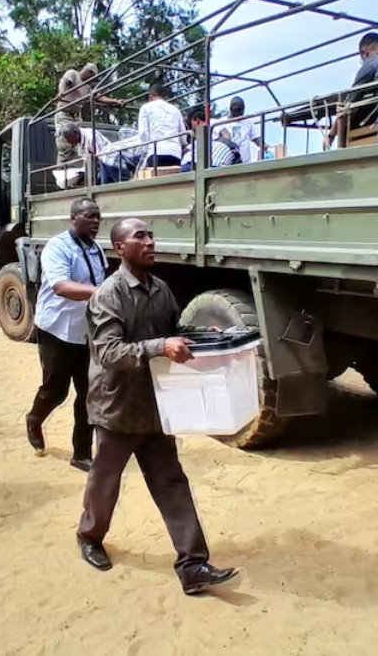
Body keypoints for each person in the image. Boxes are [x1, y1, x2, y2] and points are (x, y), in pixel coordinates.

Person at [76, 217, 238, 595]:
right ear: (120, 248)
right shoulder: (108, 295)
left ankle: (193, 564)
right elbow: (107, 351)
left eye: (150, 235)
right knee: (105, 482)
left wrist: (200, 336)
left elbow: (172, 334)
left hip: (155, 405)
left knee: (171, 481)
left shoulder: (161, 289)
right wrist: (159, 347)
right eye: (140, 236)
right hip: (116, 407)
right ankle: (89, 536)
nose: (150, 241)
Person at [26, 199, 107, 472]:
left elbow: (100, 283)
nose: (95, 221)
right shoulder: (57, 247)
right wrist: (101, 292)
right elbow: (61, 286)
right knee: (55, 391)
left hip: (86, 333)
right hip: (56, 330)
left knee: (88, 394)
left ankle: (82, 453)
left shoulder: (96, 249)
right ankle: (34, 419)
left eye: (98, 217)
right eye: (89, 216)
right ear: (73, 218)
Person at [55, 64, 123, 166]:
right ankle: (60, 171)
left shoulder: (86, 88)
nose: (93, 80)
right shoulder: (73, 74)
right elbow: (64, 82)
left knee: (78, 144)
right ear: (89, 73)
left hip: (76, 117)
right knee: (65, 144)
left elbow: (98, 97)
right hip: (64, 114)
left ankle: (75, 173)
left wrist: (114, 101)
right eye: (93, 76)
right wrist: (61, 93)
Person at [136, 83, 186, 170]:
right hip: (175, 152)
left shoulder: (146, 108)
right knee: (175, 182)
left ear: (150, 96)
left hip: (156, 151)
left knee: (157, 181)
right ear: (164, 96)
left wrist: (148, 147)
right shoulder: (175, 110)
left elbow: (143, 133)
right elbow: (183, 136)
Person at [211, 97, 265, 163]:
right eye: (236, 111)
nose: (238, 115)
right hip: (229, 162)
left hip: (245, 163)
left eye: (240, 112)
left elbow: (256, 139)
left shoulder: (248, 122)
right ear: (231, 110)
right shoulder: (221, 123)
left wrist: (268, 148)